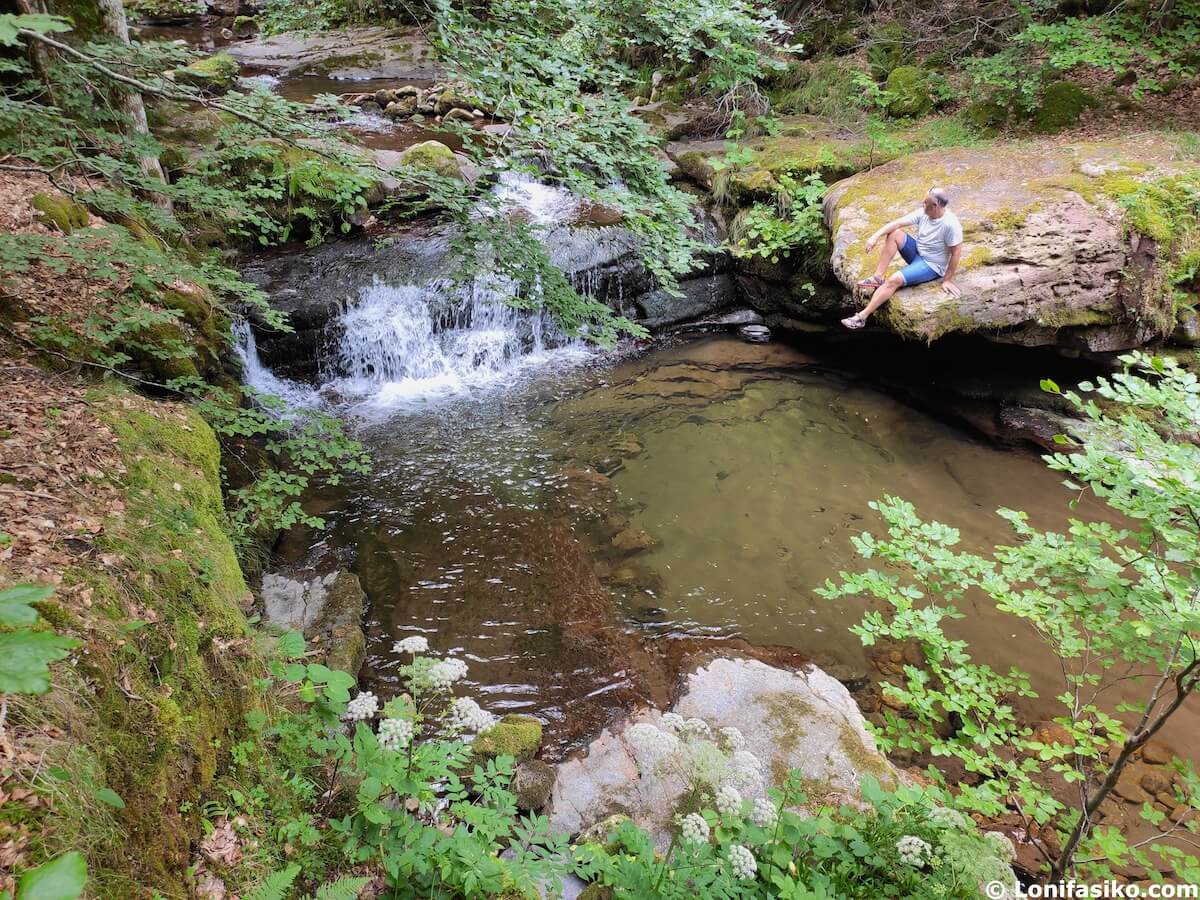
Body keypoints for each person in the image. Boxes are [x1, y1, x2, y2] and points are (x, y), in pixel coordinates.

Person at [841, 186, 963, 330]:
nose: (922, 204)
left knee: (894, 280)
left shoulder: (950, 224)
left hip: (931, 265)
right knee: (894, 233)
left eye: (925, 202)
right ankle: (877, 278)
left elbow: (956, 252)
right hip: (918, 252)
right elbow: (896, 223)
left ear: (935, 205)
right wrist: (875, 236)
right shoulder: (924, 213)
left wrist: (947, 280)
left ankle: (861, 317)